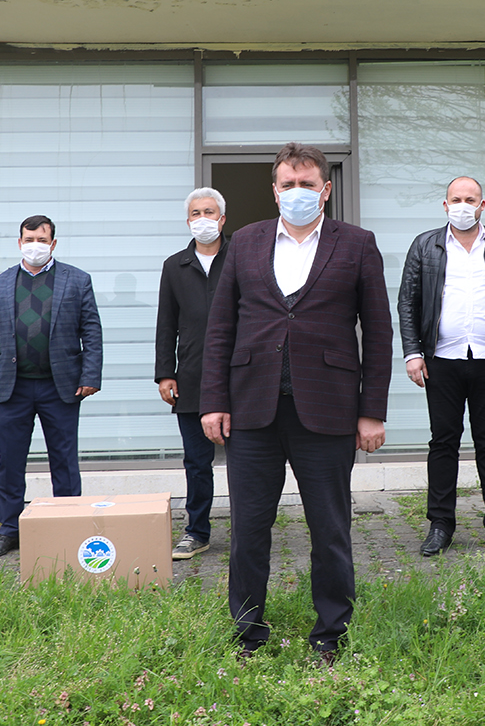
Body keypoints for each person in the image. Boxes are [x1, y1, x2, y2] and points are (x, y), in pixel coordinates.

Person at [201, 142, 392, 662]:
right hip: (251, 409)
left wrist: (371, 410)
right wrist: (213, 400)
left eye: (307, 184)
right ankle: (246, 633)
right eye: (287, 184)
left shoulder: (356, 244)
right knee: (247, 529)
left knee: (330, 528)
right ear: (274, 190)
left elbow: (377, 331)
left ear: (325, 190)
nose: (297, 192)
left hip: (327, 410)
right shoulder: (244, 242)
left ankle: (331, 632)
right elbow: (221, 327)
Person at [397, 176, 485, 558]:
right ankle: (440, 525)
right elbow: (407, 302)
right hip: (441, 359)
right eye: (455, 199)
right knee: (443, 443)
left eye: (469, 199)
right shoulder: (426, 245)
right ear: (445, 205)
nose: (462, 205)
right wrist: (413, 353)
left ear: (482, 205)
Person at [0, 215, 103, 559]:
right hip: (11, 388)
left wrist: (90, 375)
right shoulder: (2, 283)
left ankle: (68, 524)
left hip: (60, 388)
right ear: (19, 243)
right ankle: (10, 530)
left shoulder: (77, 280)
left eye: (42, 239)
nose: (35, 245)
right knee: (11, 463)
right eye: (29, 239)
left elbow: (91, 330)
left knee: (64, 460)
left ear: (54, 244)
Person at [155, 188, 231, 561]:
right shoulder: (175, 265)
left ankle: (251, 528)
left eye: (210, 211)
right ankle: (197, 531)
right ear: (188, 221)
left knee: (250, 461)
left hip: (241, 376)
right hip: (192, 376)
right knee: (197, 462)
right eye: (196, 212)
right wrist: (164, 373)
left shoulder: (243, 257)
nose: (203, 218)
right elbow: (166, 324)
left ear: (222, 219)